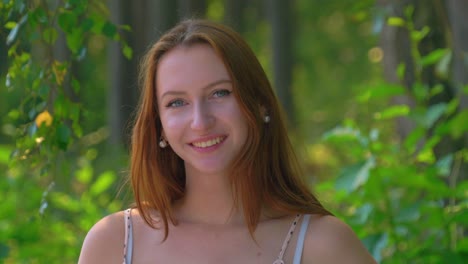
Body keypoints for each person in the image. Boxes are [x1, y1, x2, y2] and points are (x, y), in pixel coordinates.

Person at [78, 19, 376, 264]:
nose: (200, 121)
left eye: (219, 93)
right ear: (159, 126)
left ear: (260, 104)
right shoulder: (114, 243)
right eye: (177, 102)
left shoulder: (322, 245)